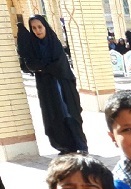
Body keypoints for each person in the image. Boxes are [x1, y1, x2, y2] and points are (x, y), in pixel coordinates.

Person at [16, 15, 88, 154]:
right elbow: (30, 65)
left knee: (70, 114)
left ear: (45, 27)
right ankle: (65, 147)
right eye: (34, 28)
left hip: (63, 85)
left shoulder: (54, 43)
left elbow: (59, 65)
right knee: (54, 116)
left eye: (40, 27)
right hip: (47, 88)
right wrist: (44, 66)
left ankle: (81, 146)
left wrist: (42, 67)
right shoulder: (33, 47)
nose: (37, 30)